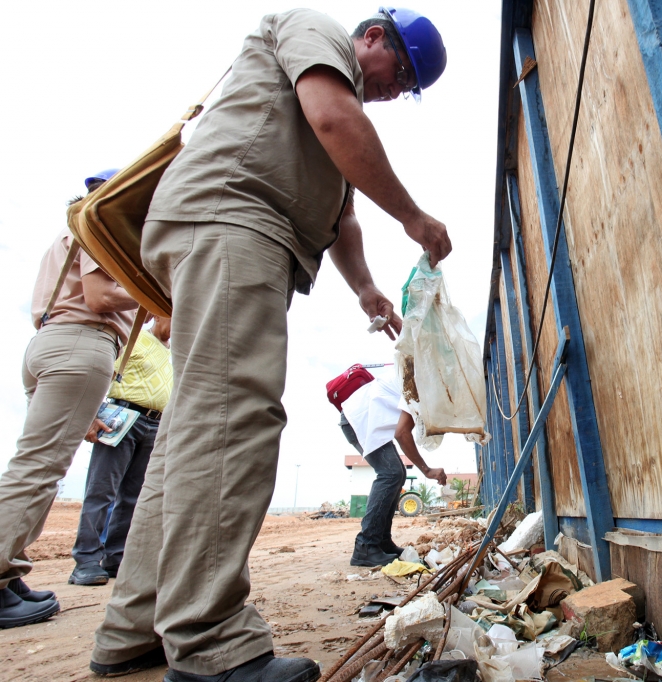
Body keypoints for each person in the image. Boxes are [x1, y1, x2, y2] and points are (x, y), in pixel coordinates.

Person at [90, 8, 452, 681]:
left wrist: (367, 291)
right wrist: (413, 216)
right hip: (232, 220)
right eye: (400, 73)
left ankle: (136, 626)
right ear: (374, 36)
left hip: (231, 229)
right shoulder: (318, 34)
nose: (394, 90)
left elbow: (341, 217)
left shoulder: (330, 101)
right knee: (233, 417)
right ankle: (210, 643)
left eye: (406, 89)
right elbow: (336, 121)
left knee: (191, 432)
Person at [0, 169, 139, 629]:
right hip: (81, 341)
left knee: (36, 466)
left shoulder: (70, 230)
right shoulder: (99, 227)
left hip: (49, 342)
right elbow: (100, 299)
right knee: (38, 469)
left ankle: (9, 573)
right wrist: (159, 292)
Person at [68, 316, 172, 587]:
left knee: (133, 497)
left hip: (156, 424)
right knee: (102, 490)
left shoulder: (175, 353)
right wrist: (90, 414)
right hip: (121, 416)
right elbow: (102, 374)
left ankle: (116, 557)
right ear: (158, 314)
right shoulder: (134, 338)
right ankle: (86, 559)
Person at [340, 368, 447, 567]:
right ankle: (365, 546)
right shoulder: (420, 383)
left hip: (367, 419)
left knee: (397, 473)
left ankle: (382, 541)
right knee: (390, 473)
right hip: (358, 419)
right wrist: (426, 470)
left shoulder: (422, 378)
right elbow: (402, 433)